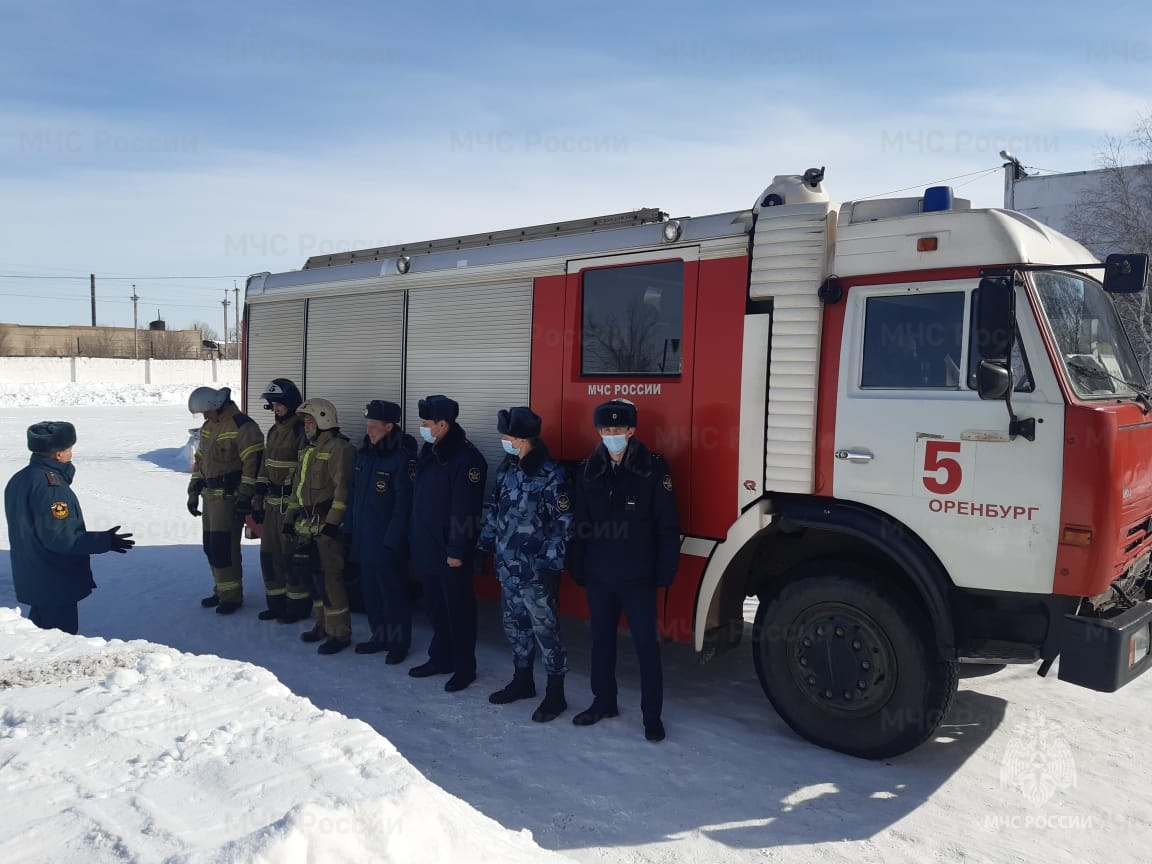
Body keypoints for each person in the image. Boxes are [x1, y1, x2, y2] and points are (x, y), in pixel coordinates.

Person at [568, 399, 680, 742]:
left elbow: (667, 525)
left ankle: (652, 716)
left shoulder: (653, 469)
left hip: (638, 577)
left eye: (618, 430)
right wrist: (578, 564)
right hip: (600, 575)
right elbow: (580, 523)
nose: (611, 435)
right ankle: (603, 702)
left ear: (632, 431)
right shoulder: (589, 468)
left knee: (646, 647)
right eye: (605, 429)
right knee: (601, 643)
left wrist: (664, 572)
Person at [477, 406, 572, 722]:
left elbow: (563, 525)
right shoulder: (507, 468)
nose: (504, 441)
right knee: (515, 628)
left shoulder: (550, 475)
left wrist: (550, 567)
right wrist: (483, 546)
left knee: (546, 633)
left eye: (508, 437)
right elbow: (495, 511)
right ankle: (523, 682)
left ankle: (555, 694)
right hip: (509, 568)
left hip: (536, 573)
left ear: (522, 439)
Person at [4, 421, 135, 634]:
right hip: (54, 580)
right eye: (69, 448)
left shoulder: (21, 478)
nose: (71, 453)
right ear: (57, 454)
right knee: (58, 639)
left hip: (36, 575)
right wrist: (105, 541)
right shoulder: (51, 487)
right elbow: (60, 538)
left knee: (41, 636)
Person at [408, 395, 487, 692]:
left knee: (459, 611)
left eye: (426, 424)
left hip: (450, 552)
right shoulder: (431, 450)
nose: (422, 429)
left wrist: (456, 550)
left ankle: (464, 667)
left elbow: (465, 511)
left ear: (443, 424)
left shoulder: (467, 460)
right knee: (435, 608)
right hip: (429, 547)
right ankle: (440, 658)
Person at [281, 398, 356, 654]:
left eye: (311, 421)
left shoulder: (340, 449)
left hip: (325, 528)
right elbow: (297, 489)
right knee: (312, 578)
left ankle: (340, 633)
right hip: (305, 525)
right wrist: (290, 519)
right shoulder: (307, 449)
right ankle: (322, 625)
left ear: (325, 420)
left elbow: (343, 490)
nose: (306, 426)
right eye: (305, 422)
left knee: (330, 580)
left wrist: (333, 524)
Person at [346, 399, 417, 663]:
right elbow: (354, 497)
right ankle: (380, 636)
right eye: (367, 425)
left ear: (389, 426)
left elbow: (403, 507)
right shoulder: (364, 455)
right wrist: (349, 530)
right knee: (370, 592)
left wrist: (393, 542)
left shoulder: (400, 460)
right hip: (364, 539)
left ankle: (398, 643)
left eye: (374, 426)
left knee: (393, 594)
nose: (369, 431)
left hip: (387, 542)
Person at [186, 386, 264, 614]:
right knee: (211, 547)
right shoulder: (210, 426)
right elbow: (201, 461)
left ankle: (231, 596)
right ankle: (221, 589)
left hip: (229, 497)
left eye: (206, 412)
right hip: (210, 497)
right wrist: (193, 491)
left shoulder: (243, 427)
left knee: (225, 547)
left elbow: (253, 465)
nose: (204, 417)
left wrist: (245, 497)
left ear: (216, 406)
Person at [250, 378, 307, 622]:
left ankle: (297, 607)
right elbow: (265, 466)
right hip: (272, 505)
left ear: (291, 404)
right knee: (269, 555)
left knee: (291, 558)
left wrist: (295, 510)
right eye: (272, 404)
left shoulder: (301, 431)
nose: (275, 408)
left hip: (289, 508)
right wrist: (258, 496)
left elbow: (304, 473)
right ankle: (276, 603)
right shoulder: (274, 431)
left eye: (279, 404)